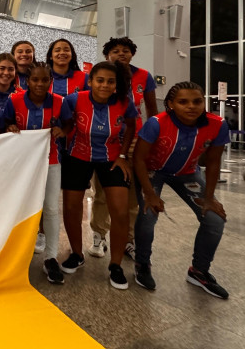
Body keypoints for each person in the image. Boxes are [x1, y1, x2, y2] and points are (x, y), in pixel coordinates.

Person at [133, 81, 230, 299]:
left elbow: (213, 162)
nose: (191, 106)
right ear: (170, 104)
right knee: (148, 214)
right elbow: (138, 159)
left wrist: (209, 197)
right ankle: (142, 263)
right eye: (183, 102)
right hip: (152, 171)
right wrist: (150, 194)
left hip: (187, 173)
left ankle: (199, 271)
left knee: (214, 218)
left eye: (197, 101)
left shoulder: (217, 124)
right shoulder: (156, 123)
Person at [60, 61, 137, 290]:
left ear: (116, 85)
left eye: (110, 81)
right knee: (72, 208)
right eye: (100, 80)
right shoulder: (73, 100)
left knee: (120, 211)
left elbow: (131, 126)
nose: (104, 85)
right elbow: (65, 125)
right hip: (77, 156)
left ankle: (115, 265)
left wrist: (123, 154)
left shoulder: (124, 102)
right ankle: (76, 254)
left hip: (111, 158)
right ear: (90, 81)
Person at [88, 36, 159, 260]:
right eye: (116, 50)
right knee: (101, 191)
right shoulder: (101, 75)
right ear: (107, 55)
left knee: (130, 193)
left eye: (126, 50)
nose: (121, 54)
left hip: (134, 139)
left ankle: (128, 239)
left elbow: (151, 108)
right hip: (104, 140)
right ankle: (99, 235)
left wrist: (153, 137)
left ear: (132, 54)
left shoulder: (143, 76)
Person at [1, 63, 71, 283]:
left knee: (50, 208)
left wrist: (63, 130)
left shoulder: (59, 102)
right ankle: (15, 254)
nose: (40, 84)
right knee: (19, 206)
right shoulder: (14, 100)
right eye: (35, 80)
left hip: (50, 161)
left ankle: (51, 257)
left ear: (50, 81)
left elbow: (69, 123)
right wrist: (10, 127)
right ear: (27, 81)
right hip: (20, 163)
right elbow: (4, 123)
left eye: (44, 80)